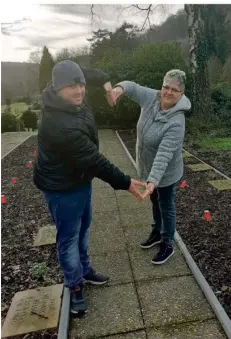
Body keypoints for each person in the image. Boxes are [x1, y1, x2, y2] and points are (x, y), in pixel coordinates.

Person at [33, 60, 144, 315]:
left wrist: (105, 80)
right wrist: (126, 182)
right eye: (72, 87)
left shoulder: (70, 101)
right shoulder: (57, 124)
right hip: (62, 189)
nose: (80, 91)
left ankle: (84, 269)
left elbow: (85, 73)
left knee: (83, 230)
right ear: (57, 88)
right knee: (69, 239)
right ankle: (74, 285)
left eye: (80, 84)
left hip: (79, 180)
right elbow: (94, 161)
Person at [109, 69, 191, 265]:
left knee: (166, 204)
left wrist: (153, 180)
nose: (168, 92)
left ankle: (168, 243)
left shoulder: (177, 122)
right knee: (154, 201)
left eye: (175, 90)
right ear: (161, 86)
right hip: (146, 165)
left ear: (181, 93)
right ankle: (157, 232)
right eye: (166, 87)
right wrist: (119, 89)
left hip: (166, 172)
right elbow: (133, 87)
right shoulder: (151, 97)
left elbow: (164, 155)